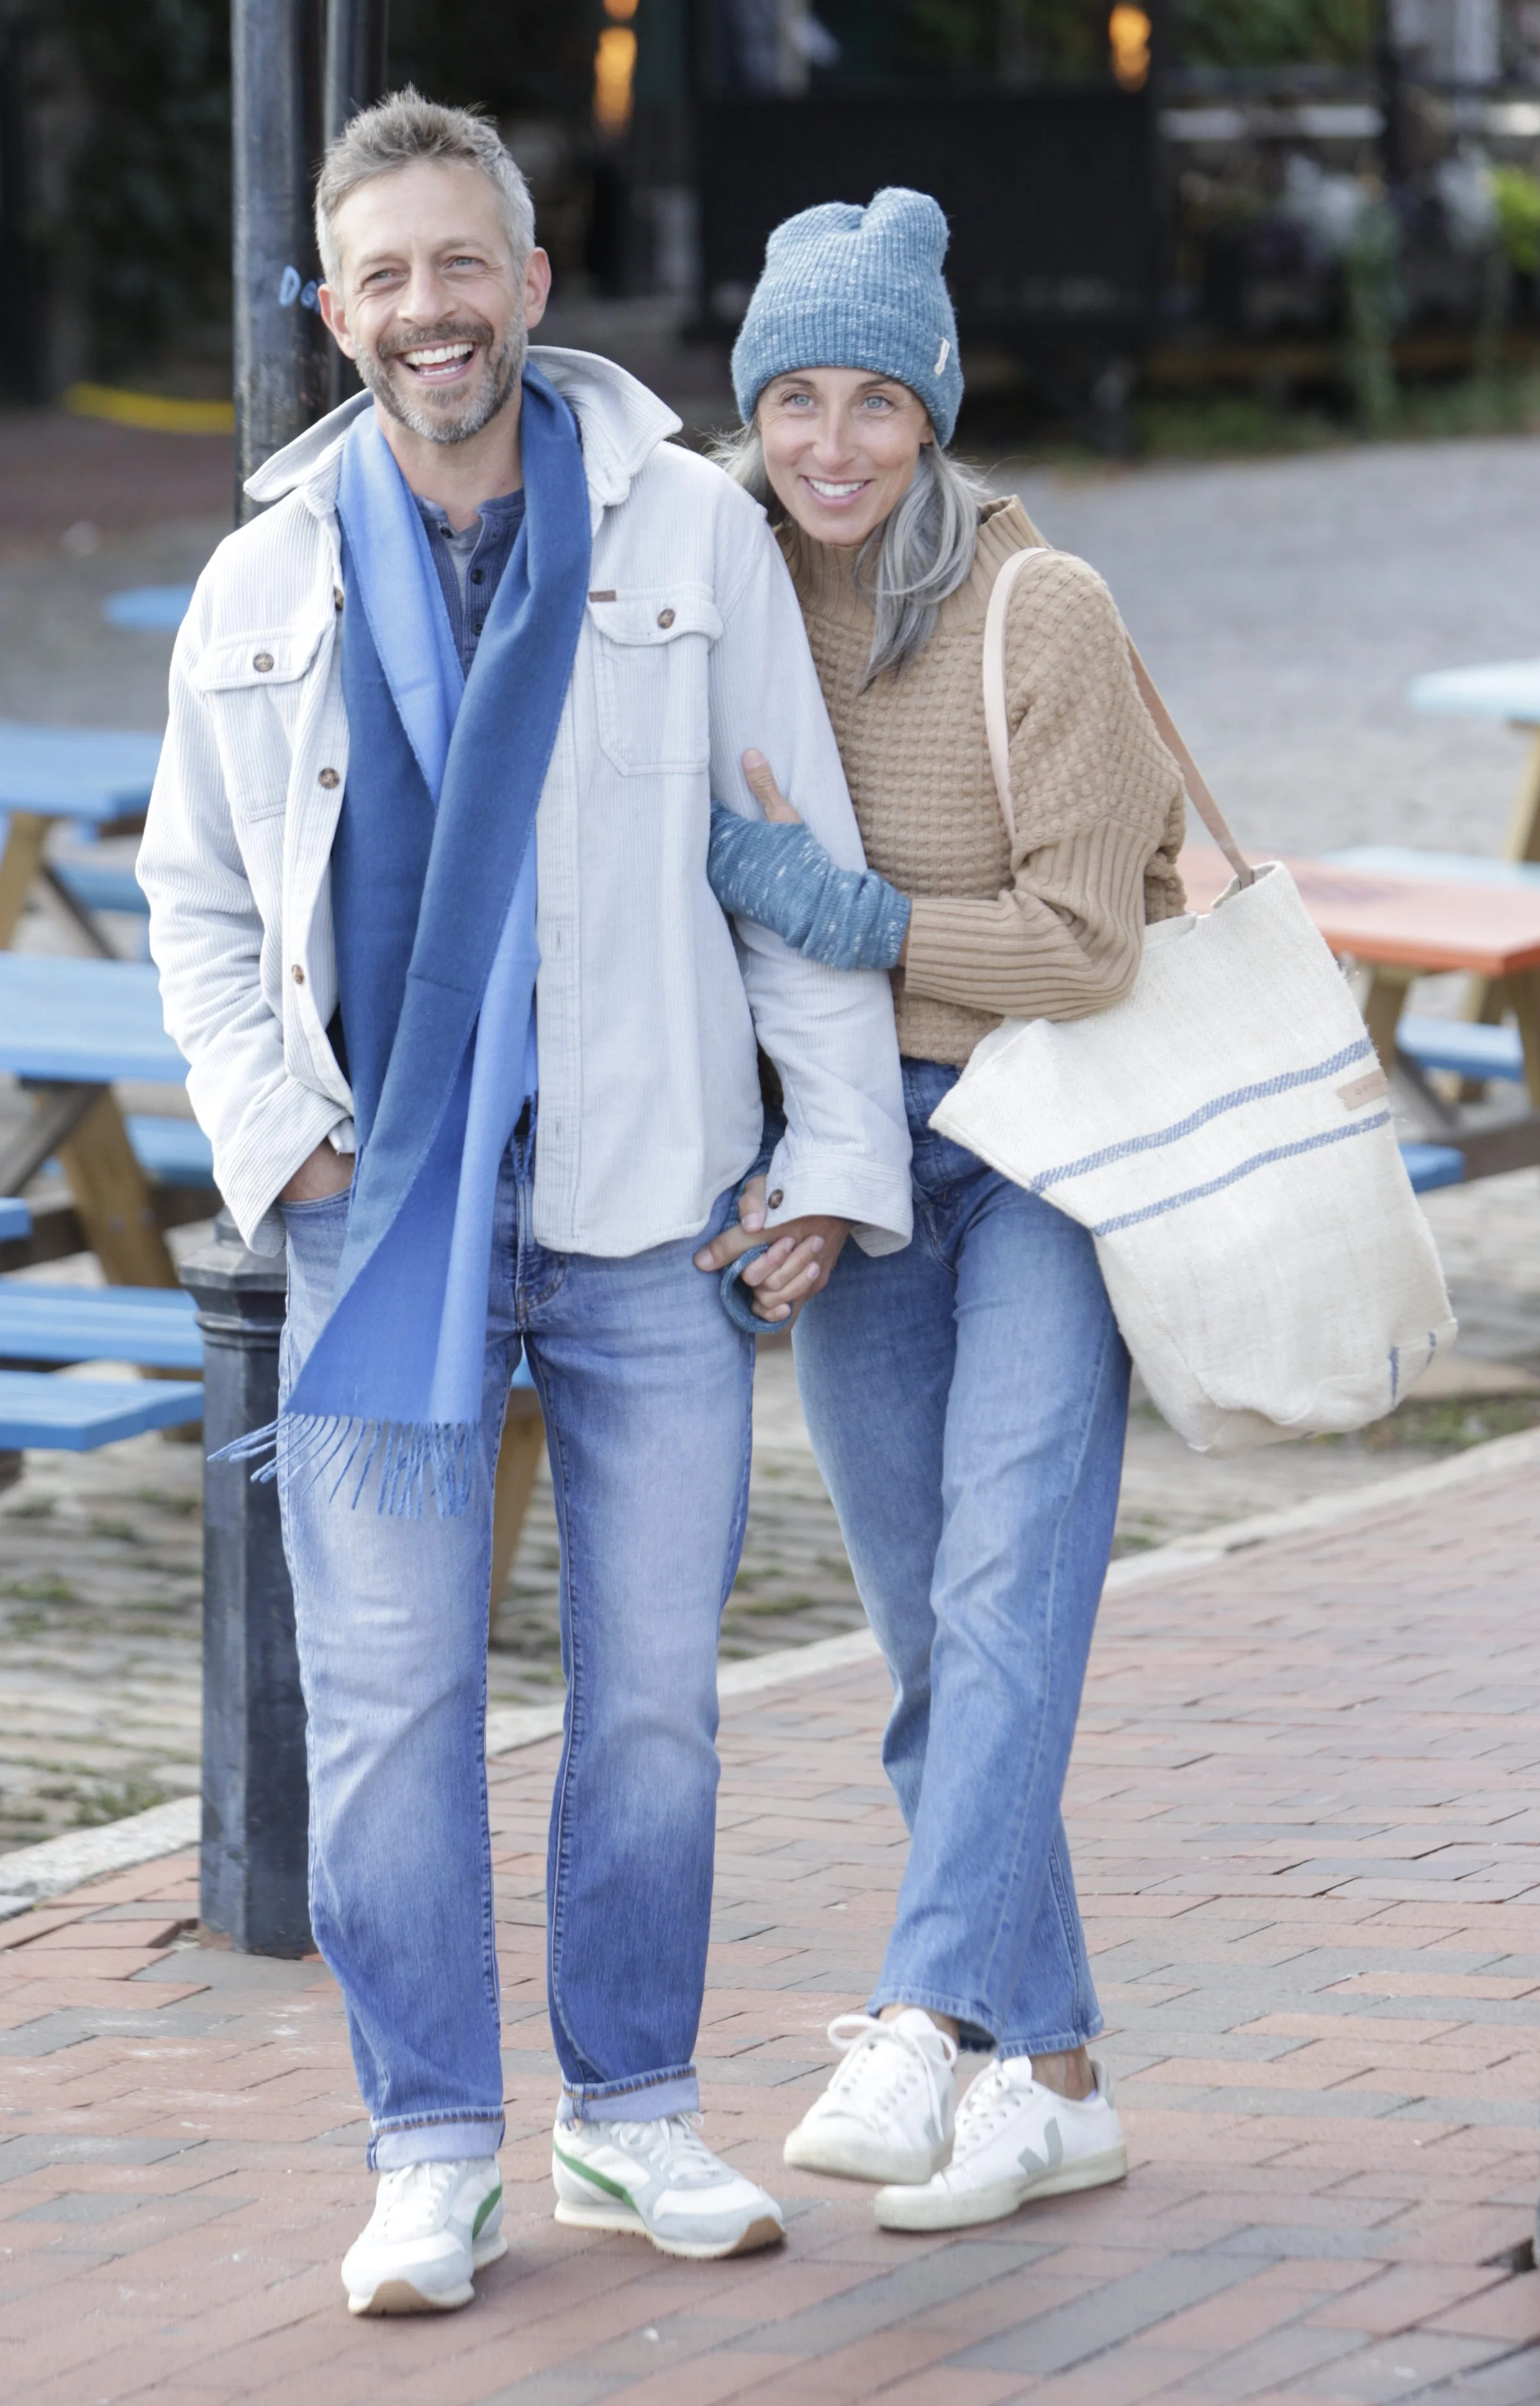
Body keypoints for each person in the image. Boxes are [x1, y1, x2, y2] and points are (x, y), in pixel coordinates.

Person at [138, 96, 911, 2315]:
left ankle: (633, 2111)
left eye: (459, 265)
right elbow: (196, 903)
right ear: (329, 308)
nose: (425, 311)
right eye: (380, 275)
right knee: (389, 1702)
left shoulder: (687, 527)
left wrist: (839, 1153)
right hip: (372, 1219)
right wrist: (274, 1129)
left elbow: (796, 865)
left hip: (646, 1199)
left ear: (532, 285)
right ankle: (428, 2149)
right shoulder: (260, 576)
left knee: (652, 1694)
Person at [695, 189, 1187, 2232]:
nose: (826, 441)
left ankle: (922, 2012)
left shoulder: (1036, 607)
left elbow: (1078, 946)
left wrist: (843, 914)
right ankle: (1053, 2073)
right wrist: (790, 1151)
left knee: (1005, 1590)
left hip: (1052, 1150)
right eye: (791, 395)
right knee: (924, 1631)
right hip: (866, 1159)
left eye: (870, 401)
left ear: (932, 412)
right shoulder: (721, 588)